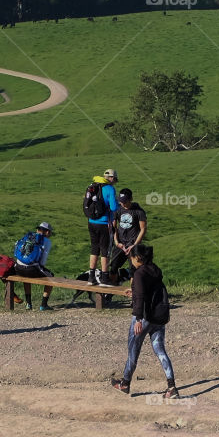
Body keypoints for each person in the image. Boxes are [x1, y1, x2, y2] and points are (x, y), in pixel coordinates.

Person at [111, 244, 177, 399]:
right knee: (160, 350)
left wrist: (138, 319)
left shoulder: (139, 273)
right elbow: (149, 291)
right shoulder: (154, 269)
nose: (131, 260)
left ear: (138, 258)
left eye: (132, 257)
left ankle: (125, 383)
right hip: (159, 317)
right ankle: (172, 387)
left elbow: (141, 299)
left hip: (144, 317)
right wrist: (134, 292)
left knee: (133, 350)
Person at [108, 187, 147, 284]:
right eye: (121, 201)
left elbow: (143, 229)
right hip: (121, 244)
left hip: (133, 244)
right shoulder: (118, 210)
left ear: (131, 199)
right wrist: (116, 242)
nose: (123, 204)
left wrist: (135, 244)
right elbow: (114, 227)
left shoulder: (139, 211)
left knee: (134, 270)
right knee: (113, 268)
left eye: (125, 202)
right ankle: (112, 289)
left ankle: (134, 293)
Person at [12, 222, 55, 311]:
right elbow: (42, 262)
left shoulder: (28, 236)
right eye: (50, 232)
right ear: (47, 232)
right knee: (51, 277)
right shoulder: (46, 241)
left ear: (38, 230)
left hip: (18, 268)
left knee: (26, 276)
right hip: (31, 269)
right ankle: (44, 305)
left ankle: (28, 304)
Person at [86, 169, 118, 285]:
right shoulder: (110, 189)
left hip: (91, 221)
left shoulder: (92, 185)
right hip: (104, 223)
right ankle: (104, 278)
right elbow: (114, 208)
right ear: (112, 178)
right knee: (105, 250)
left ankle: (91, 277)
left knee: (94, 248)